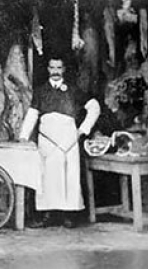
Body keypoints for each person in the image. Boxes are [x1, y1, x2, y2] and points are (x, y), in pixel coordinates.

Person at [19, 57, 100, 228]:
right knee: (47, 177)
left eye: (59, 67)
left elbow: (94, 107)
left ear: (63, 70)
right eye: (52, 67)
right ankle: (47, 215)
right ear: (48, 69)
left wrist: (82, 130)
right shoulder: (40, 91)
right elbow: (32, 114)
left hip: (68, 139)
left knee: (69, 177)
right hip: (46, 140)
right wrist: (24, 137)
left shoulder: (73, 90)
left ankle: (69, 215)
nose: (55, 71)